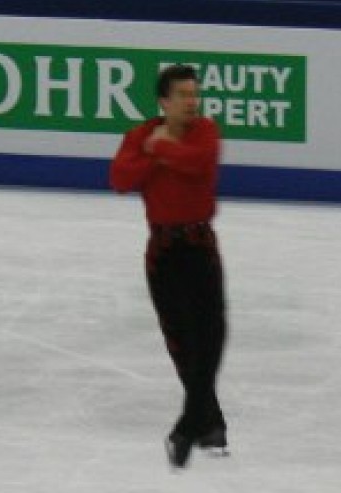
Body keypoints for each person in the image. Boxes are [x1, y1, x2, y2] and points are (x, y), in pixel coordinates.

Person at [110, 64, 228, 469]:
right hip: (163, 252)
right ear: (164, 101)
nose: (191, 102)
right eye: (183, 96)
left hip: (199, 245)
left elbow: (199, 163)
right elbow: (121, 178)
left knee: (212, 334)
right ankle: (209, 423)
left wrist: (159, 152)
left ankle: (187, 426)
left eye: (194, 95)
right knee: (182, 340)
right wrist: (155, 154)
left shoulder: (205, 132)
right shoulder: (139, 134)